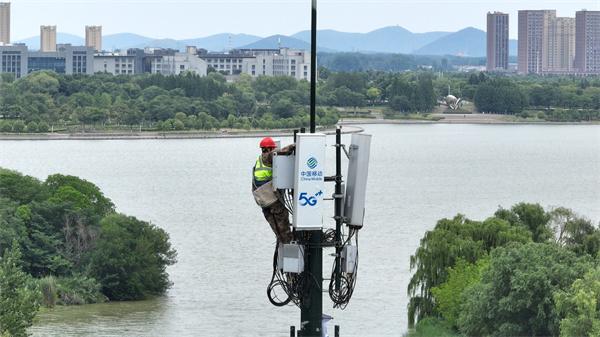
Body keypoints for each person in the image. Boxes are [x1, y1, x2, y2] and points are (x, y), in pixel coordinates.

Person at [253, 137, 295, 244]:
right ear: (269, 148)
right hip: (271, 198)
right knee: (282, 217)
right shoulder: (268, 157)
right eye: (272, 149)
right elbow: (281, 152)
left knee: (274, 223)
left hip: (262, 200)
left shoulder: (259, 161)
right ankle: (288, 242)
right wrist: (295, 145)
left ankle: (280, 240)